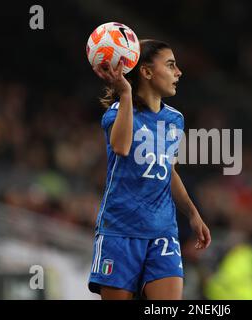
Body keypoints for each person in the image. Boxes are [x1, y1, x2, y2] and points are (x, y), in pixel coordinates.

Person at [87, 39, 211, 300]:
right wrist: (125, 93)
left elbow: (170, 171)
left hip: (163, 232)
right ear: (146, 71)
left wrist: (192, 213)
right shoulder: (116, 112)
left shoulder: (174, 119)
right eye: (170, 65)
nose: (179, 72)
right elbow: (121, 147)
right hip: (120, 231)